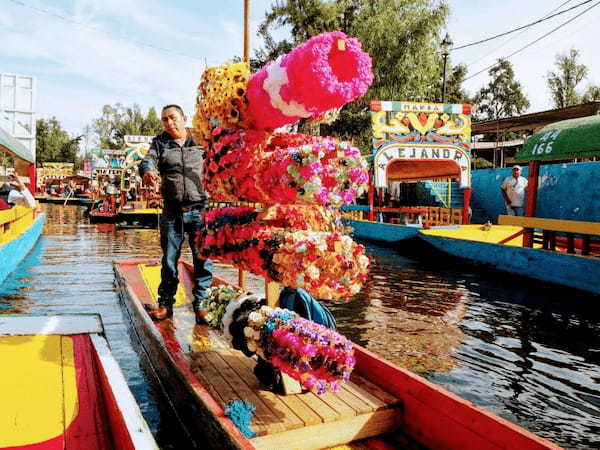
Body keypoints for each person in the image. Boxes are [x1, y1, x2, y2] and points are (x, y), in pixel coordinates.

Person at [139, 104, 213, 323]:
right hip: (172, 211)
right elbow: (147, 160)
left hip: (200, 210)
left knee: (203, 259)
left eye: (173, 118)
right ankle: (166, 304)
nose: (169, 123)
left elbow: (220, 160)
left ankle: (202, 305)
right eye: (164, 119)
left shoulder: (201, 140)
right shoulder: (160, 142)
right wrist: (148, 171)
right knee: (170, 260)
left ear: (184, 118)